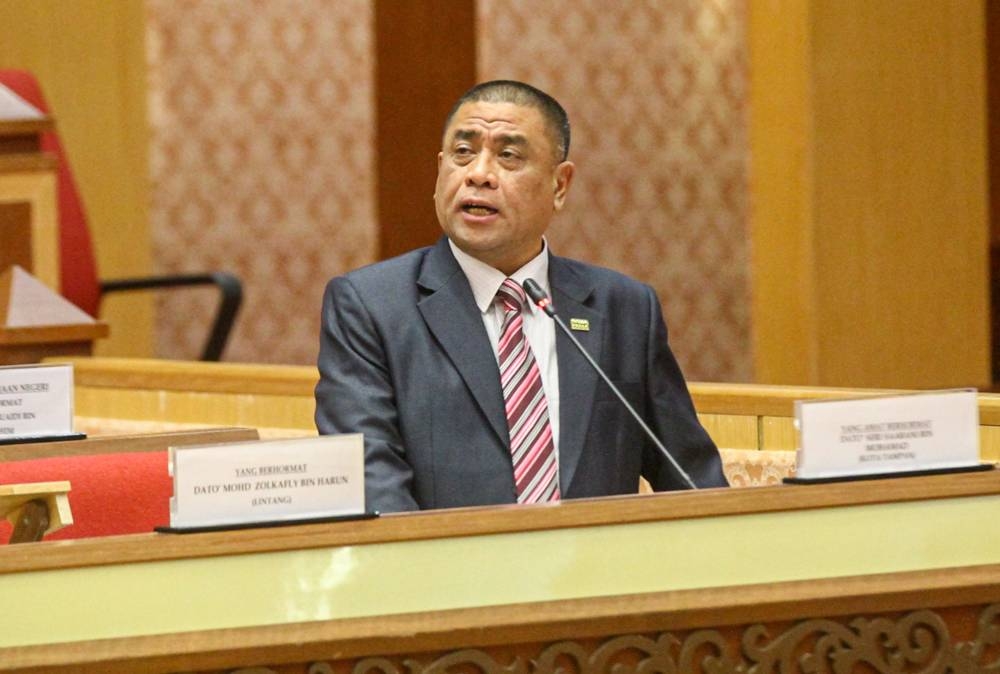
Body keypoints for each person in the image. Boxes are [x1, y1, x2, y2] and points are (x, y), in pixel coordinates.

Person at [316, 80, 727, 513]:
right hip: (448, 575)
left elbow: (692, 480)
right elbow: (371, 482)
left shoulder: (623, 308)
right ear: (440, 174)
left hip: (599, 576)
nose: (478, 174)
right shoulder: (370, 306)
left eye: (508, 156)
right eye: (463, 153)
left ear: (560, 185)